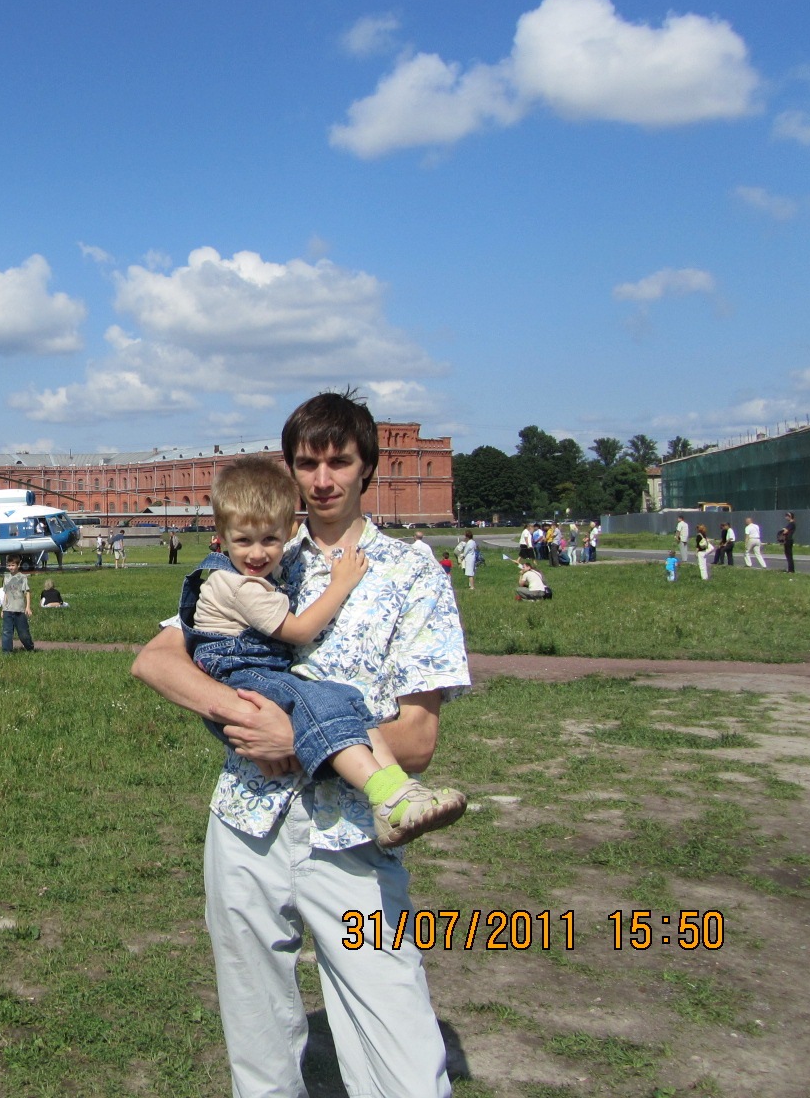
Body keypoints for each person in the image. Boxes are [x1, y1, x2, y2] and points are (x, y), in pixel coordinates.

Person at [132, 390, 470, 1098]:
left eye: (338, 462)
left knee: (403, 1057)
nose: (322, 480)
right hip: (246, 825)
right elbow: (159, 660)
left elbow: (418, 738)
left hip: (353, 837)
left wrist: (297, 737)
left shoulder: (411, 573)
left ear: (367, 466)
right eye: (307, 464)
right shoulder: (256, 555)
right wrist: (238, 712)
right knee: (259, 1047)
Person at [179, 457, 465, 851]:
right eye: (244, 541)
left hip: (257, 671)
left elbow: (420, 741)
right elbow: (300, 630)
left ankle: (400, 788)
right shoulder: (239, 585)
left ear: (287, 532)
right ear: (222, 537)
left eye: (269, 540)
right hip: (242, 671)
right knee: (322, 706)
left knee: (343, 700)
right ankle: (384, 795)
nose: (258, 553)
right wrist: (340, 584)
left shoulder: (259, 574)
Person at [0, 555, 34, 652]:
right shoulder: (6, 577)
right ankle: (6, 652)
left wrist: (28, 607)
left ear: (18, 565)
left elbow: (27, 592)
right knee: (7, 632)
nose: (11, 567)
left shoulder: (22, 577)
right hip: (8, 609)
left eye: (13, 565)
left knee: (23, 633)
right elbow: (5, 594)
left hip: (19, 609)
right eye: (9, 565)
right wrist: (3, 609)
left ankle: (30, 647)